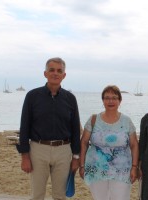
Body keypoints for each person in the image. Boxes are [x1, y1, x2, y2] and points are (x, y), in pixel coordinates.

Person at [16, 57, 81, 200]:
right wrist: (24, 156)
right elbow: (24, 126)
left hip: (63, 151)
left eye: (59, 71)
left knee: (60, 196)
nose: (55, 73)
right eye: (51, 70)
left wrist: (76, 157)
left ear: (64, 75)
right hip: (38, 149)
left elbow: (76, 129)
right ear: (45, 73)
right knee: (37, 195)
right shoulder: (32, 96)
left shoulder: (70, 98)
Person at [79, 85, 139, 200]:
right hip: (96, 169)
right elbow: (84, 142)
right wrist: (82, 165)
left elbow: (134, 144)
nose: (110, 101)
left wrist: (134, 167)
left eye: (114, 98)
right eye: (107, 98)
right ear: (103, 100)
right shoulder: (93, 119)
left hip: (122, 170)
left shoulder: (126, 121)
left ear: (120, 100)